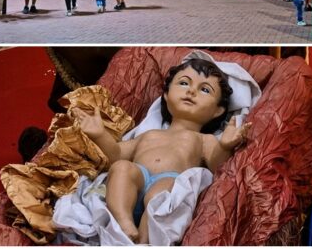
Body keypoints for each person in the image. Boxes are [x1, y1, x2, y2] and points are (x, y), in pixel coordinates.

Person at [77, 58, 250, 243]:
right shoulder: (149, 134)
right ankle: (123, 222)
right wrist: (100, 135)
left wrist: (224, 145)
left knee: (164, 189)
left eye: (205, 89)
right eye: (184, 83)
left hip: (166, 188)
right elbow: (116, 155)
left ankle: (144, 241)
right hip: (133, 185)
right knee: (121, 167)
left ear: (217, 110)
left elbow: (219, 167)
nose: (191, 91)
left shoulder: (203, 139)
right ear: (166, 95)